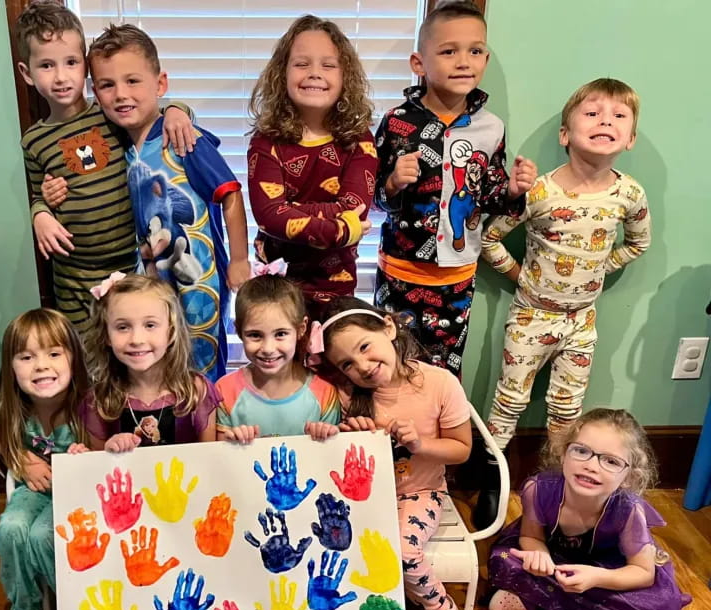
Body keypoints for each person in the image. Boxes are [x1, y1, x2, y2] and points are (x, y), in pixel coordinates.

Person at [476, 78, 651, 528]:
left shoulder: (628, 194)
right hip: (531, 316)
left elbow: (638, 243)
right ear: (565, 133)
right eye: (592, 114)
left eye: (617, 117)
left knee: (567, 410)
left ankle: (559, 487)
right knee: (508, 401)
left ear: (629, 138)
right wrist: (522, 279)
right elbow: (490, 240)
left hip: (581, 321)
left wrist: (595, 272)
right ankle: (491, 480)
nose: (604, 122)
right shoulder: (540, 191)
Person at [487, 409, 706, 610]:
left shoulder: (629, 510)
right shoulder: (538, 489)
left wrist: (596, 578)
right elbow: (530, 536)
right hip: (556, 559)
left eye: (611, 461)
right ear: (563, 454)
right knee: (503, 560)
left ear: (629, 475)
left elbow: (643, 572)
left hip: (608, 568)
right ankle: (563, 604)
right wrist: (538, 557)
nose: (592, 466)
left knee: (662, 603)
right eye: (582, 451)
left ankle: (535, 603)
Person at [310, 297, 479, 610]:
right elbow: (330, 458)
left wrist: (420, 444)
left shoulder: (439, 383)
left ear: (388, 328)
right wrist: (340, 435)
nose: (363, 368)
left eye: (365, 348)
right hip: (360, 498)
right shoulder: (347, 397)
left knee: (402, 549)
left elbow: (462, 450)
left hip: (420, 492)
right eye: (347, 364)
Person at [14, 1, 196, 344]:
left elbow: (149, 112)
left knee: (130, 348)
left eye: (70, 62)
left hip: (129, 265)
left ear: (84, 66)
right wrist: (40, 214)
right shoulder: (33, 139)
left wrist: (177, 109)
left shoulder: (109, 115)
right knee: (87, 360)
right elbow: (40, 194)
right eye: (47, 65)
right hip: (73, 276)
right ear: (27, 73)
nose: (61, 76)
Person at [373, 0, 536, 376]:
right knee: (390, 363)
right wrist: (394, 182)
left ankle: (441, 433)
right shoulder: (396, 122)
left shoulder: (491, 127)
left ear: (486, 59)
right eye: (448, 52)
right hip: (402, 268)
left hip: (458, 273)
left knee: (443, 370)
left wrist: (512, 189)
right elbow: (375, 196)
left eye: (475, 51)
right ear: (419, 63)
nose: (464, 61)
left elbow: (488, 192)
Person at [86, 24, 250, 380]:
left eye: (133, 81)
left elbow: (230, 191)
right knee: (162, 365)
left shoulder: (183, 138)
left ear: (160, 85)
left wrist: (239, 259)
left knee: (202, 363)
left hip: (200, 279)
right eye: (107, 85)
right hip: (154, 282)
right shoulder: (119, 143)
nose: (120, 94)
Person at [0, 308, 92, 610]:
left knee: (47, 534)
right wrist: (24, 459)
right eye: (26, 357)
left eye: (54, 353)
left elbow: (107, 454)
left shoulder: (87, 405)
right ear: (11, 366)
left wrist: (86, 455)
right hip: (37, 489)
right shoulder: (9, 406)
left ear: (73, 357)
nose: (40, 366)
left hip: (79, 495)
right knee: (11, 529)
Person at [247, 14, 379, 317]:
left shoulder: (359, 139)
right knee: (279, 360)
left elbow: (355, 206)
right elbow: (268, 215)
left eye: (328, 65)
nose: (314, 73)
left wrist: (291, 208)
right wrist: (341, 230)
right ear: (282, 74)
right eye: (302, 64)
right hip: (276, 287)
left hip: (336, 287)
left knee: (332, 361)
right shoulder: (267, 141)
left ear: (346, 77)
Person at [85, 273, 219, 450]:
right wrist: (109, 451)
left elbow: (209, 458)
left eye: (150, 325)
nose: (137, 339)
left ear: (171, 333)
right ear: (106, 335)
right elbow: (97, 469)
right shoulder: (99, 399)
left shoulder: (196, 390)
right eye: (123, 327)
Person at [216, 270, 340, 443]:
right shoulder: (224, 391)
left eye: (280, 334)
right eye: (255, 335)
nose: (268, 348)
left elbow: (330, 460)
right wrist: (233, 443)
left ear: (301, 329)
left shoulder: (325, 394)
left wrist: (325, 437)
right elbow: (220, 459)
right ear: (238, 331)